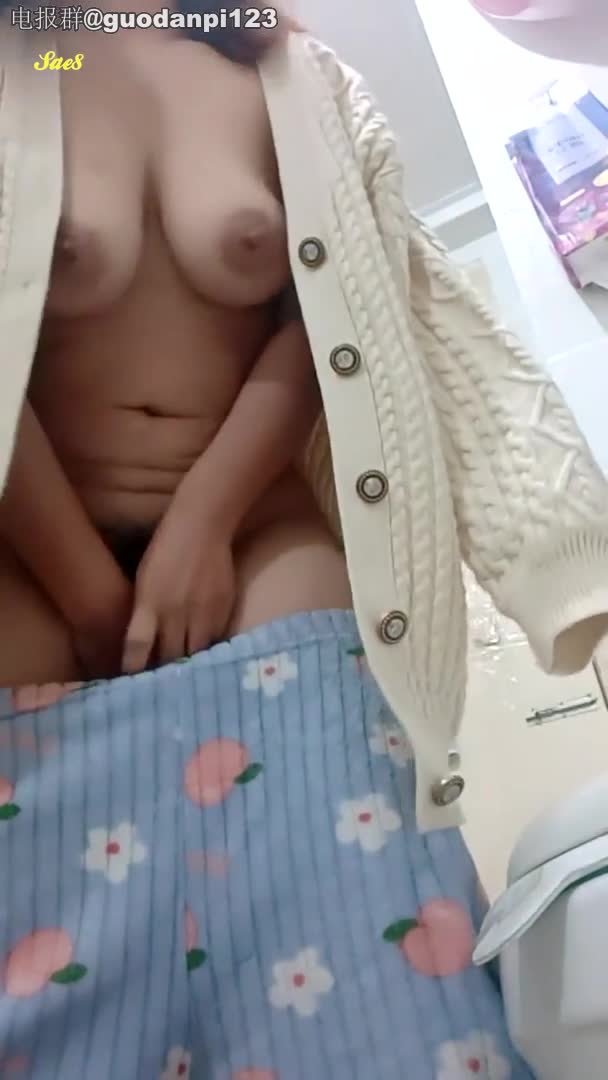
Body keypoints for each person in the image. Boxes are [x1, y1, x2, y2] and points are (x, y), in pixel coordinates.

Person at [1, 3, 608, 1077]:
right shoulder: (37, 47)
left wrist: (203, 519)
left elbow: (338, 313)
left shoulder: (279, 70)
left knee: (379, 979)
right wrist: (88, 588)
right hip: (32, 572)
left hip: (258, 546)